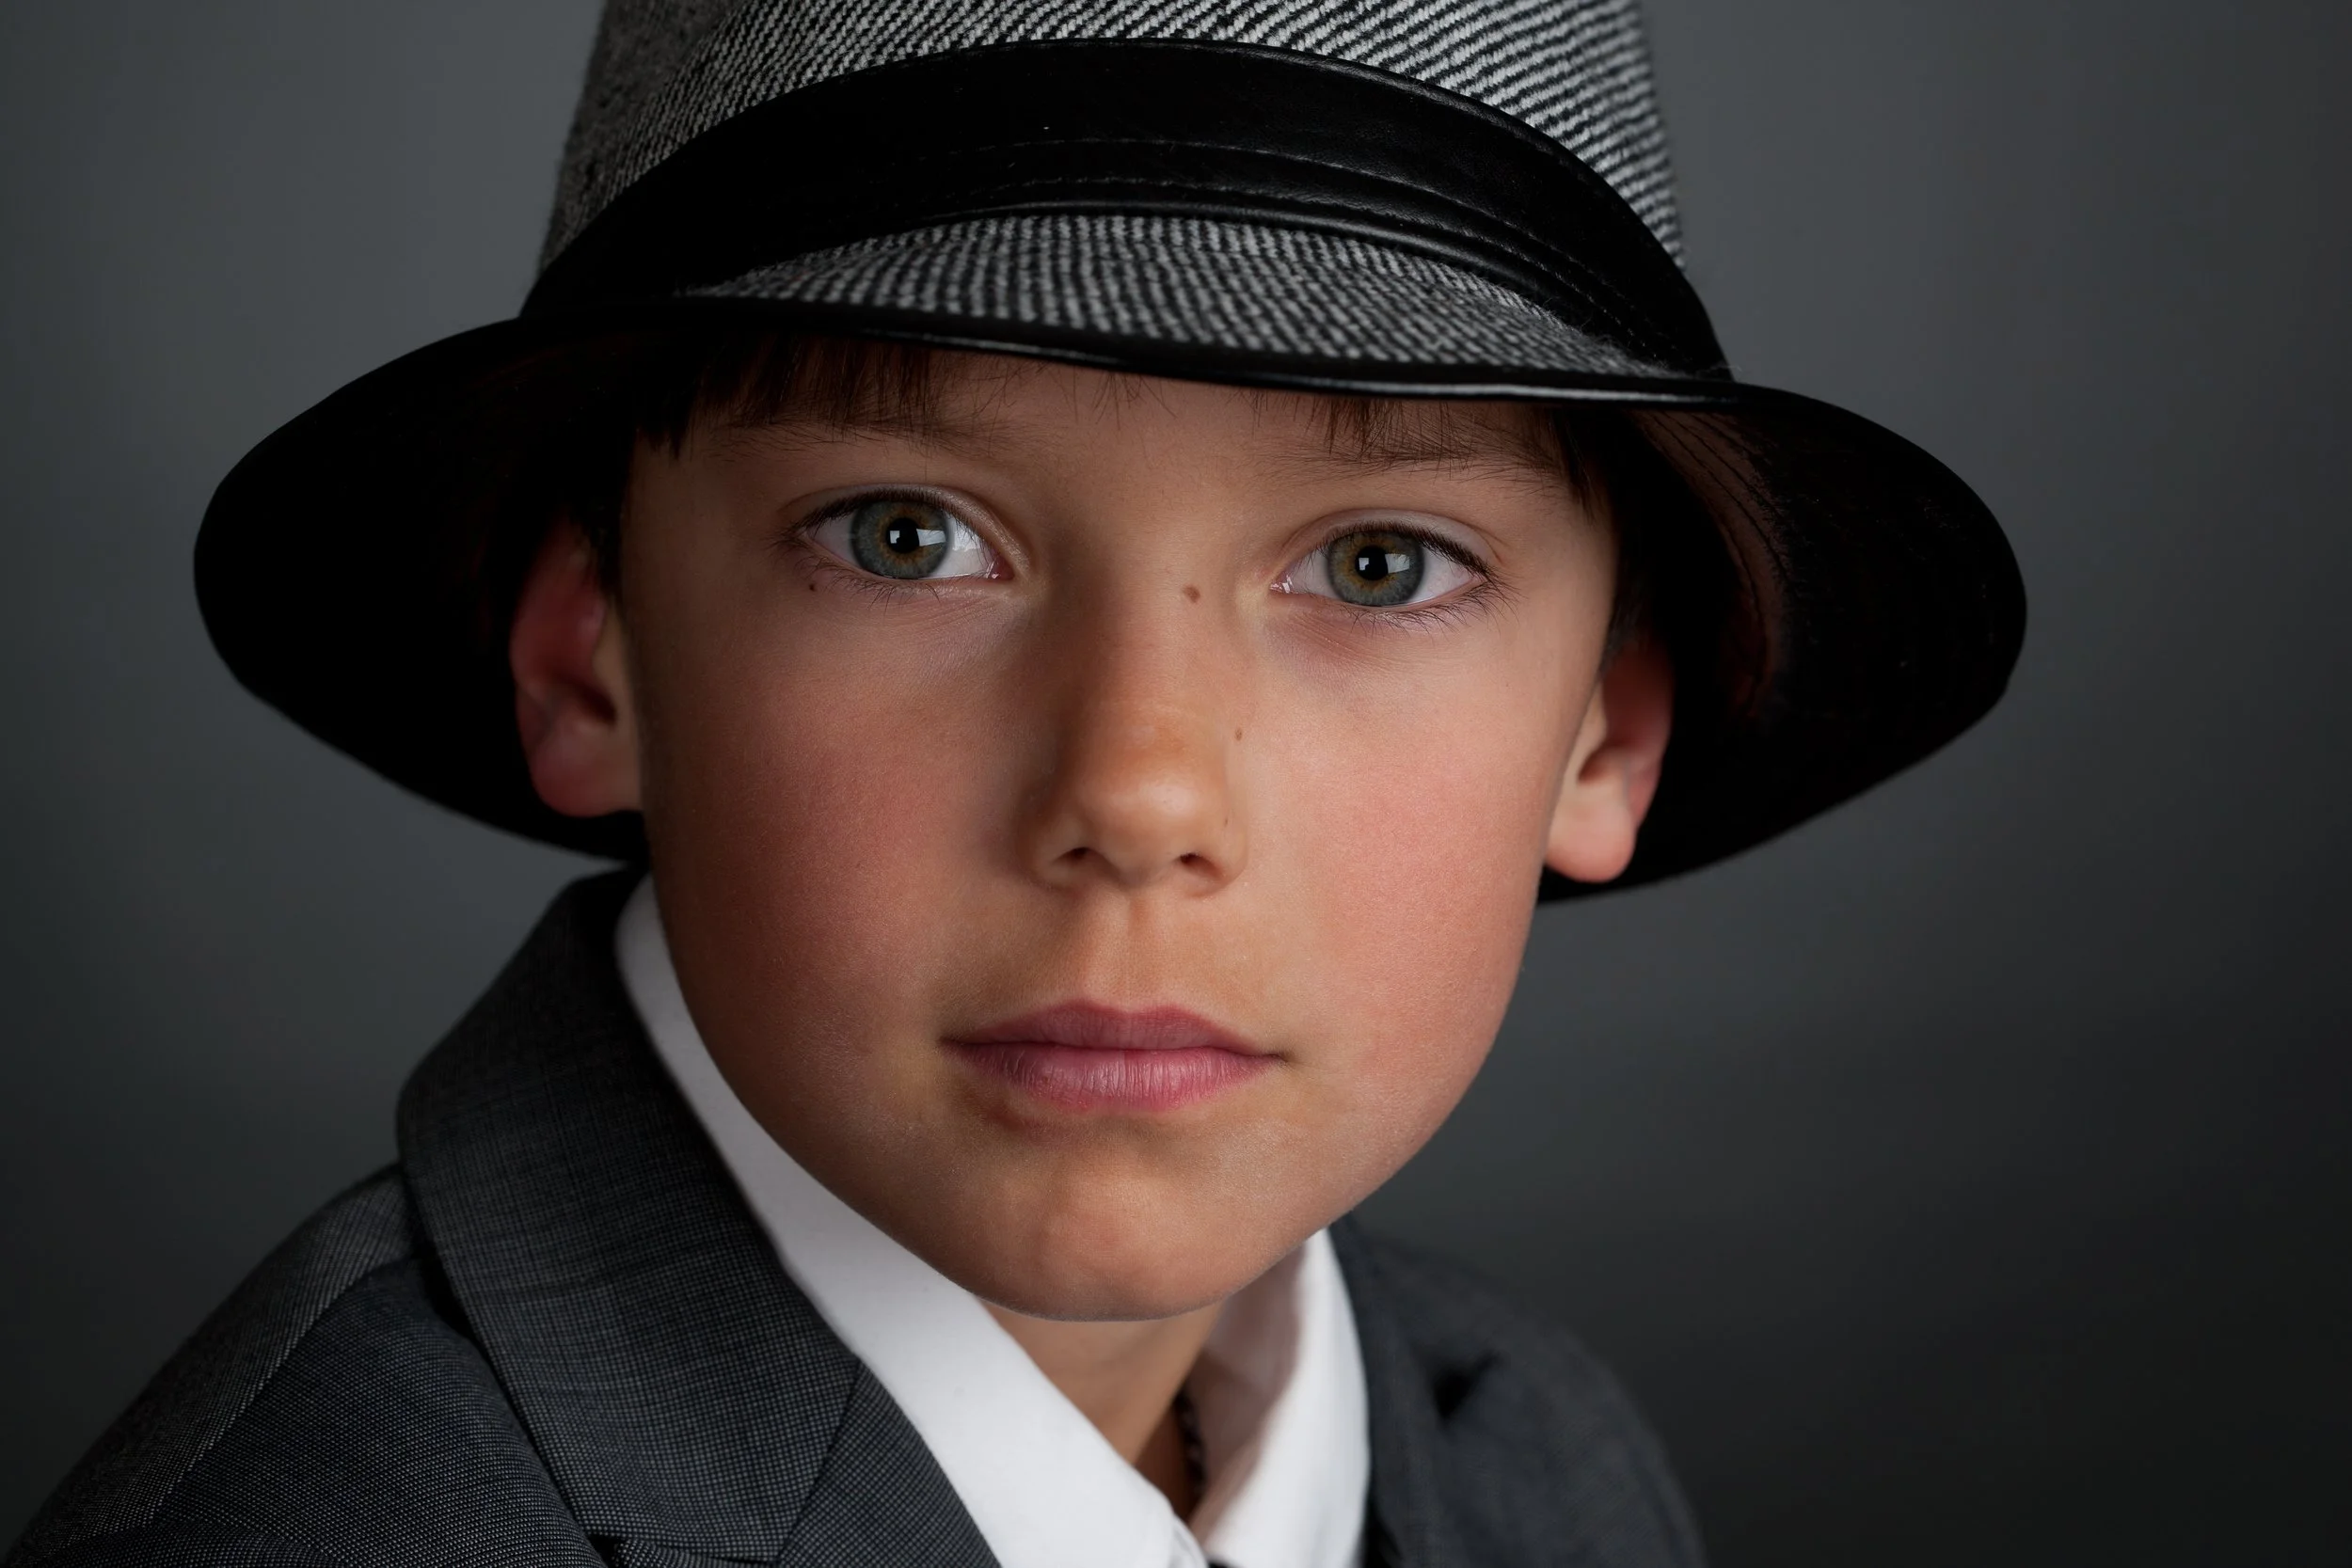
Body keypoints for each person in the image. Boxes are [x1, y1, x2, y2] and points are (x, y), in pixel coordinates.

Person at [6, 3, 2023, 1566]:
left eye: (1379, 562)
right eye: (902, 536)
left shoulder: (1531, 1458)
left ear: (1603, 735)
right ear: (587, 654)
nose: (1136, 790)